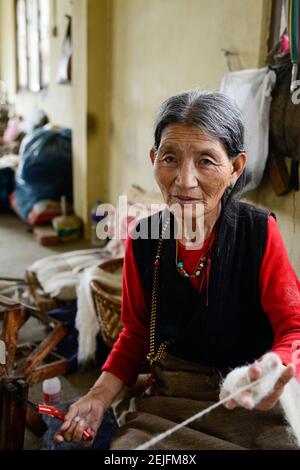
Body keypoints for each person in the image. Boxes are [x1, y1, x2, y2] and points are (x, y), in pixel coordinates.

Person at [54, 91, 300, 450]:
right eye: (170, 158)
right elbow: (137, 333)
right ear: (154, 159)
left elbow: (293, 327)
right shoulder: (142, 238)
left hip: (253, 400)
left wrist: (274, 368)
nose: (184, 181)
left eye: (206, 161)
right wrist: (98, 396)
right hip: (171, 399)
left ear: (235, 168)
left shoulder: (258, 232)